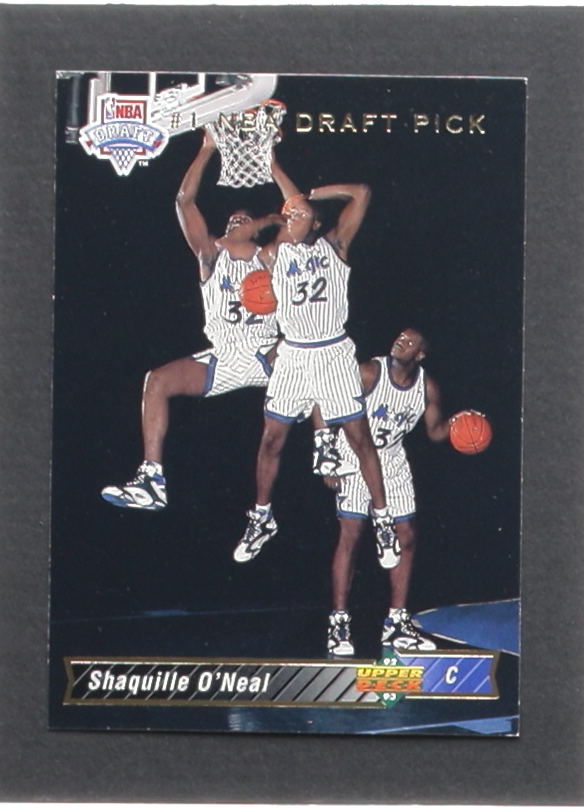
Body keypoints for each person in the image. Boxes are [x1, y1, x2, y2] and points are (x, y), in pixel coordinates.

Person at [101, 131, 283, 510]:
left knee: (318, 357)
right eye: (232, 221)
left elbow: (297, 218)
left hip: (267, 352)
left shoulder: (268, 258)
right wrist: (207, 148)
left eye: (244, 220)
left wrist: (271, 160)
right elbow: (184, 200)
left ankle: (334, 448)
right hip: (224, 358)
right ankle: (152, 479)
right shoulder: (210, 255)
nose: (237, 223)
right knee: (157, 381)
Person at [233, 156, 398, 565]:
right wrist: (273, 172)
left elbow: (361, 193)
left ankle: (383, 520)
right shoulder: (276, 253)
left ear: (317, 221)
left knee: (360, 438)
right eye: (291, 215)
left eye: (301, 214)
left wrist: (308, 193)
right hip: (293, 353)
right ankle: (262, 518)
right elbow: (240, 240)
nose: (294, 216)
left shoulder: (336, 244)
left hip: (333, 350)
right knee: (271, 439)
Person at [323, 328, 457, 656]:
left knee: (406, 535)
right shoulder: (369, 372)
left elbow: (435, 431)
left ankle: (396, 622)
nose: (400, 341)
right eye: (400, 337)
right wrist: (328, 456)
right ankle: (339, 624)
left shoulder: (427, 386)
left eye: (409, 342)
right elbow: (326, 400)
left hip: (392, 460)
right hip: (354, 456)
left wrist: (461, 425)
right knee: (351, 535)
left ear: (420, 355)